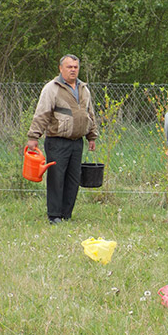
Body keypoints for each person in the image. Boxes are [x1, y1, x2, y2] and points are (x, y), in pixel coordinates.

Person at [27, 54, 98, 224]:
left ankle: (66, 214)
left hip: (77, 142)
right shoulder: (52, 88)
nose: (73, 70)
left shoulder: (83, 88)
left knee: (73, 180)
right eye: (69, 67)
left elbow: (90, 114)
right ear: (60, 68)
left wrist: (92, 136)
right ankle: (54, 215)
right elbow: (42, 113)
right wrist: (33, 136)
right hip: (57, 141)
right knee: (56, 179)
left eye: (75, 67)